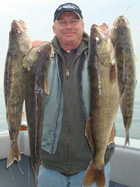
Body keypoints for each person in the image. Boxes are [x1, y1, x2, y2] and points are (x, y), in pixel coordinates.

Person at [38, 3, 115, 187]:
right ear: (54, 28)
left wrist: (119, 52)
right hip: (51, 166)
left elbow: (127, 84)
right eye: (62, 22)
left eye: (74, 21)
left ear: (82, 24)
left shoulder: (102, 57)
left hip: (91, 160)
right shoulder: (41, 58)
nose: (69, 26)